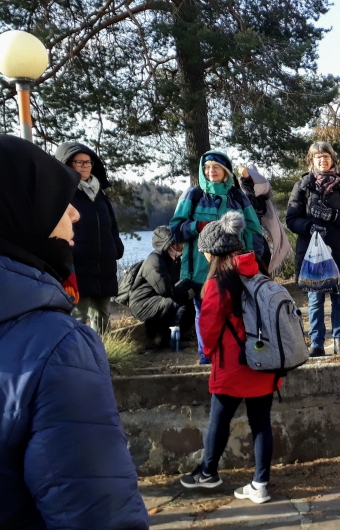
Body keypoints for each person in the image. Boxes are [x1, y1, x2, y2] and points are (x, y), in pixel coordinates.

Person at [0, 134, 148, 528]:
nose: (75, 214)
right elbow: (97, 512)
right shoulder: (59, 346)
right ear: (22, 210)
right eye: (56, 199)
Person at [179, 211, 279, 504]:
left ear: (214, 252)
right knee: (261, 423)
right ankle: (260, 484)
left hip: (233, 364)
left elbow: (208, 327)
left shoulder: (218, 281)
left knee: (219, 421)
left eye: (206, 254)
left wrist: (209, 353)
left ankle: (208, 472)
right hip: (265, 360)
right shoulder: (257, 269)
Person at [170, 150, 265, 364]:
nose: (211, 171)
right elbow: (175, 229)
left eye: (216, 167)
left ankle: (234, 354)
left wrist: (253, 258)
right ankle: (207, 357)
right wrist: (198, 226)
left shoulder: (237, 196)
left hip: (234, 268)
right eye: (207, 168)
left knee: (235, 311)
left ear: (226, 172)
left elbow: (253, 229)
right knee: (204, 313)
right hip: (199, 270)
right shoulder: (192, 195)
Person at [286, 141, 340, 357]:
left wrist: (334, 216)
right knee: (315, 298)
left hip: (337, 250)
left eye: (326, 156)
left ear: (332, 159)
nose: (322, 160)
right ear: (312, 160)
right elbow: (291, 219)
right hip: (312, 252)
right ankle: (317, 343)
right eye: (318, 157)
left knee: (339, 298)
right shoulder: (303, 185)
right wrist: (309, 225)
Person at [54, 141, 125, 335]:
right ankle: (79, 357)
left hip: (104, 264)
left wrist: (116, 247)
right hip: (78, 265)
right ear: (67, 164)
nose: (85, 166)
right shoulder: (63, 194)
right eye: (80, 162)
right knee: (78, 315)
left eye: (88, 162)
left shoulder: (100, 193)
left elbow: (111, 224)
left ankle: (103, 356)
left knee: (102, 314)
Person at [128, 225, 196, 347]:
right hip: (142, 303)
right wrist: (187, 292)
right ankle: (170, 339)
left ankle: (179, 334)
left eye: (181, 244)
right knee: (178, 300)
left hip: (158, 300)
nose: (181, 248)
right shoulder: (154, 261)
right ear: (166, 245)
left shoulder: (173, 260)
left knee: (191, 299)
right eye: (177, 245)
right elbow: (165, 290)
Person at [235, 165, 291, 274]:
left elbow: (249, 193)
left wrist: (245, 178)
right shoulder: (259, 200)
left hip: (253, 241)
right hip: (251, 241)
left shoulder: (253, 199)